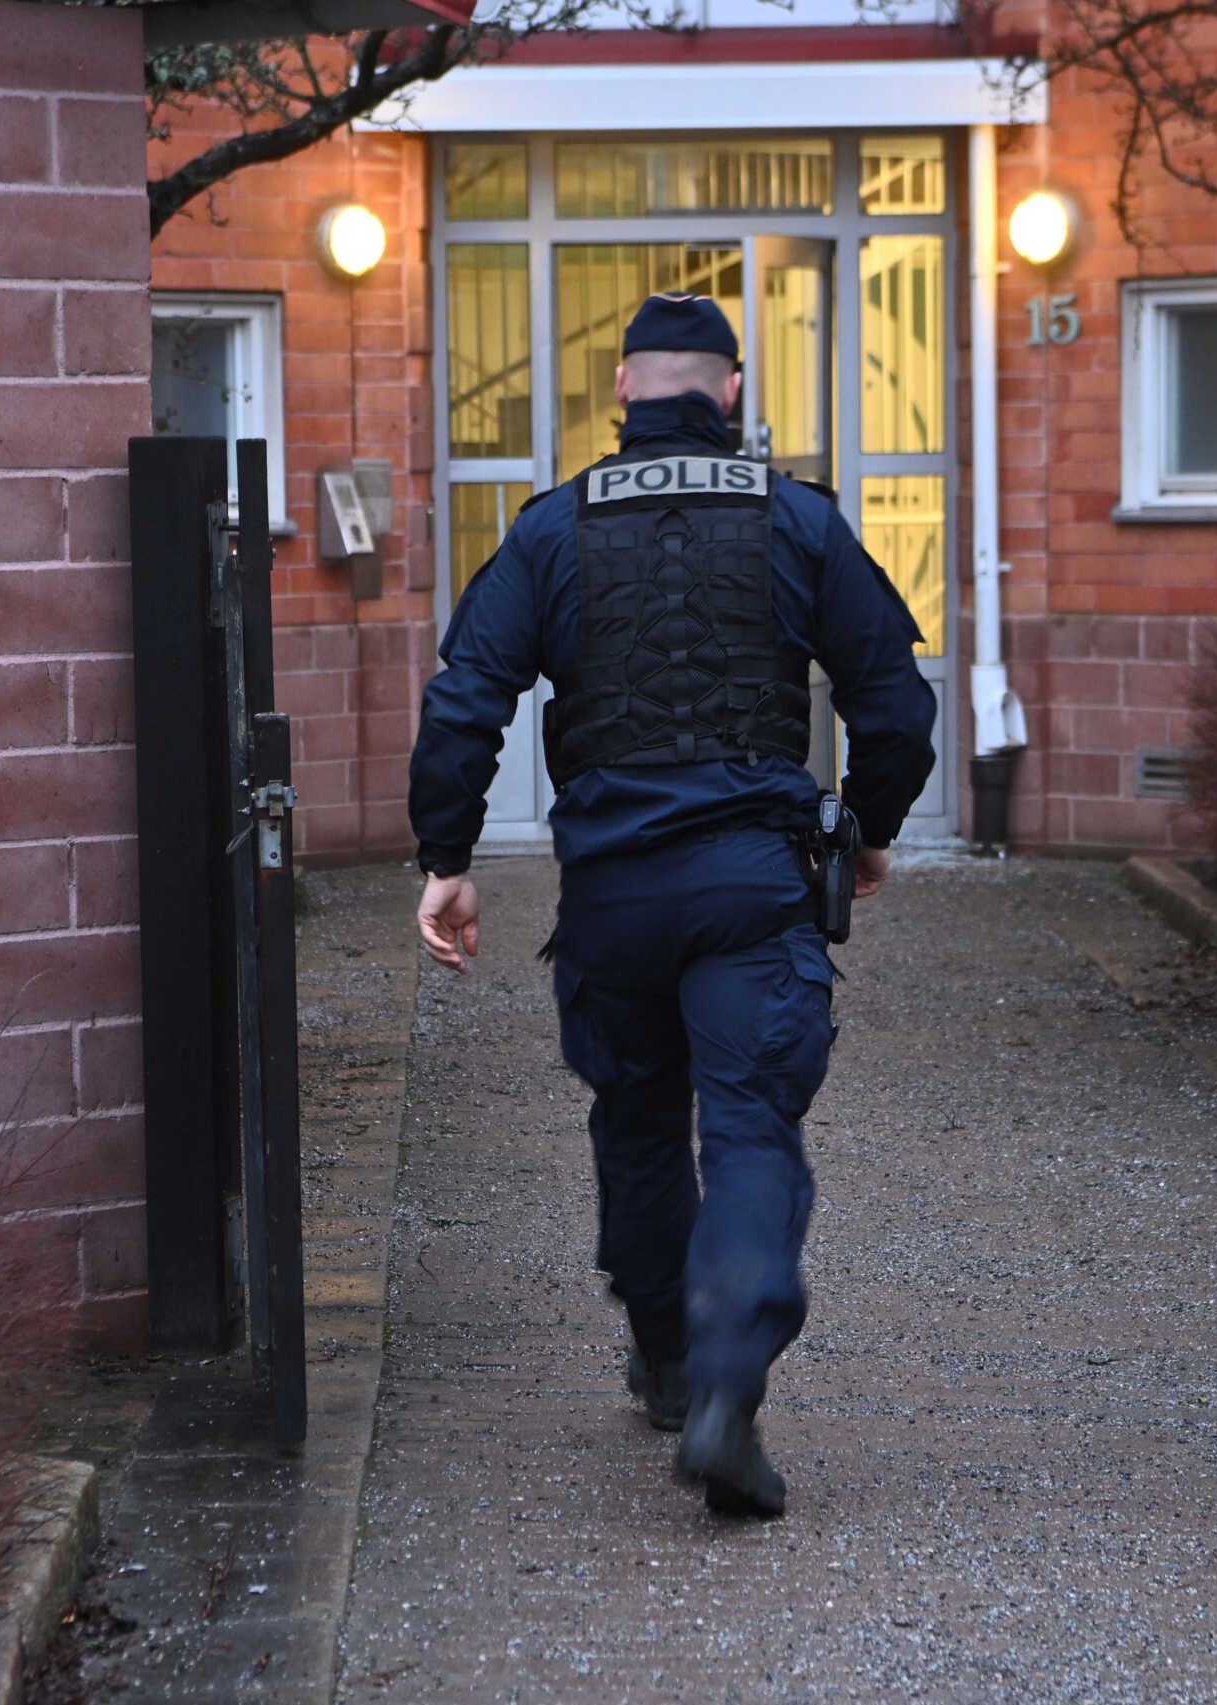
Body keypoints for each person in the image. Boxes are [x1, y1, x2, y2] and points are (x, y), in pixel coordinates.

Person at [406, 292, 936, 1518]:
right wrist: (866, 828)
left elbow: (464, 700)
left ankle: (665, 1361)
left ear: (623, 396)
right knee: (749, 1129)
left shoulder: (551, 530)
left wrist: (448, 853)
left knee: (640, 1122)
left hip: (613, 895)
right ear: (731, 394)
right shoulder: (798, 520)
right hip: (754, 888)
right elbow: (893, 704)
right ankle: (727, 1389)